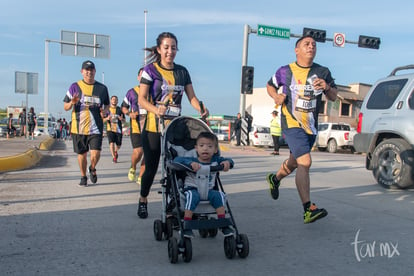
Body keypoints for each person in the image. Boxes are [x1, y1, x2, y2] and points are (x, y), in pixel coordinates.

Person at [265, 35, 338, 224]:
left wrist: (327, 87)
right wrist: (276, 97)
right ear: (297, 50)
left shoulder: (323, 71)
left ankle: (275, 178)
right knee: (305, 161)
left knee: (294, 163)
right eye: (306, 44)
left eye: (313, 44)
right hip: (291, 122)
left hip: (310, 127)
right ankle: (308, 209)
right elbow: (270, 85)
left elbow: (333, 97)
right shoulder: (285, 71)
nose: (311, 46)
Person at [136, 32, 209, 219]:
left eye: (173, 47)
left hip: (175, 127)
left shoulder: (182, 71)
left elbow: (192, 97)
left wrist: (201, 108)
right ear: (159, 49)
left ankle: (173, 203)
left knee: (177, 167)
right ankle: (143, 199)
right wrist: (155, 109)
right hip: (154, 127)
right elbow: (142, 100)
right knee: (151, 168)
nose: (170, 51)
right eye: (166, 47)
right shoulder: (150, 70)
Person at [173, 132, 234, 237]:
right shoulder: (192, 160)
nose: (205, 149)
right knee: (193, 196)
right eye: (201, 146)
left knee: (219, 195)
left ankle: (222, 223)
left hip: (208, 190)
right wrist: (190, 164)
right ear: (196, 148)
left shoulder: (216, 161)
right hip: (191, 189)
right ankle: (187, 223)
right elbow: (177, 160)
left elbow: (229, 160)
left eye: (209, 146)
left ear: (215, 150)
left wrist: (228, 163)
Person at [63, 60, 110, 187]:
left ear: (95, 71)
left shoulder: (102, 88)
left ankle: (93, 168)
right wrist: (72, 102)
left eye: (91, 70)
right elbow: (65, 107)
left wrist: (104, 111)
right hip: (79, 128)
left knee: (96, 153)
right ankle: (83, 176)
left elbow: (107, 105)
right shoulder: (75, 86)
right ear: (82, 72)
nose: (89, 72)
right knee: (82, 155)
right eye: (86, 70)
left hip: (96, 127)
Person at [121, 67, 146, 185]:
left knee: (148, 153)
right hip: (136, 127)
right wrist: (129, 113)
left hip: (150, 127)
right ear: (138, 77)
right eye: (141, 75)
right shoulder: (131, 92)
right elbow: (124, 107)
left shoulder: (154, 91)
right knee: (138, 151)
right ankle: (133, 166)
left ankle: (141, 176)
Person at [103, 95, 125, 163]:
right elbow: (102, 120)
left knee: (118, 145)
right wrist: (107, 118)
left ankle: (116, 151)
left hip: (118, 129)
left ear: (117, 101)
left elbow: (124, 120)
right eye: (113, 99)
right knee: (111, 143)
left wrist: (122, 119)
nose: (114, 100)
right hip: (110, 129)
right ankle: (114, 157)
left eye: (116, 99)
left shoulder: (120, 109)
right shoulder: (107, 110)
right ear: (111, 100)